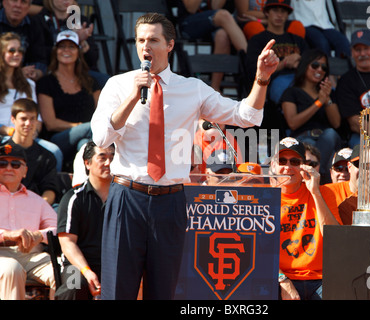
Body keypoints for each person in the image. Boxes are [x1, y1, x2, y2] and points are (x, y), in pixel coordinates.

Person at [90, 12, 279, 300]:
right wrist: (132, 96)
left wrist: (261, 80)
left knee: (163, 292)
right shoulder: (118, 85)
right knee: (117, 291)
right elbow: (102, 138)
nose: (145, 46)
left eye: (153, 40)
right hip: (127, 197)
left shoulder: (192, 89)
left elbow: (247, 116)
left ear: (170, 45)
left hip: (171, 201)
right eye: (140, 40)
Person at [270, 137, 341, 300]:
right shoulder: (265, 197)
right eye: (282, 161)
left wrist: (315, 192)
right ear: (273, 165)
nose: (287, 167)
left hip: (321, 279)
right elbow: (259, 250)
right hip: (282, 278)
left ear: (303, 166)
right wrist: (283, 280)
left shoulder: (324, 192)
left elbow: (335, 238)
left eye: (294, 161)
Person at [55, 141, 114, 300]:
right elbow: (67, 243)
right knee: (73, 286)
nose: (109, 163)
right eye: (102, 158)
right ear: (87, 163)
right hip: (76, 266)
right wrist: (87, 271)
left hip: (114, 264)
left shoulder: (124, 197)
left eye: (112, 157)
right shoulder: (73, 198)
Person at [0, 142, 57, 300]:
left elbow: (59, 228)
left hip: (32, 254)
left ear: (25, 171)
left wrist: (39, 235)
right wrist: (7, 235)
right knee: (12, 268)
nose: (9, 168)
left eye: (16, 164)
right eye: (3, 163)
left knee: (69, 271)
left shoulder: (37, 200)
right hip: (1, 255)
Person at [37, 30, 100, 169]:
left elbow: (101, 112)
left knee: (84, 144)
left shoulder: (91, 82)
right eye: (62, 46)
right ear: (55, 51)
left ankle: (83, 184)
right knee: (93, 128)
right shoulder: (46, 83)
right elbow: (50, 123)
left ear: (78, 51)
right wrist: (80, 126)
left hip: (88, 135)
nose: (66, 50)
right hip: (59, 138)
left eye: (71, 47)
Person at [0, 32, 63, 171]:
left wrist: (31, 134)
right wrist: (10, 131)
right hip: (3, 136)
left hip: (28, 134)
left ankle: (50, 190)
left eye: (20, 50)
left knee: (54, 152)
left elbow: (37, 119)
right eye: (12, 50)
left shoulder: (29, 84)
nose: (17, 54)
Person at [280, 48, 341, 180]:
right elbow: (293, 122)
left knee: (330, 134)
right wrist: (318, 102)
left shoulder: (328, 93)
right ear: (305, 65)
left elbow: (336, 123)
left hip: (326, 139)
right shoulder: (291, 93)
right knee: (307, 145)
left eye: (323, 67)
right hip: (302, 137)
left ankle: (316, 177)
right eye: (315, 65)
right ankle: (320, 178)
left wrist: (327, 99)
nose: (319, 70)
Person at [33, 0, 109, 88]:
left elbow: (92, 60)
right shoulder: (39, 20)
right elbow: (37, 54)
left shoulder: (81, 20)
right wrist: (65, 46)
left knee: (105, 81)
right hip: (50, 69)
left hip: (79, 71)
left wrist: (82, 44)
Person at [246, 0, 308, 105]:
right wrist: (284, 63)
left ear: (288, 14)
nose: (279, 15)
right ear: (266, 13)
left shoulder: (298, 40)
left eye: (283, 11)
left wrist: (299, 60)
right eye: (275, 10)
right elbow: (254, 72)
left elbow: (311, 61)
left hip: (301, 79)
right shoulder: (257, 40)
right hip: (273, 83)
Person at [177, 0, 248, 92]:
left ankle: (215, 88)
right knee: (224, 15)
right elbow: (191, 8)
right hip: (187, 24)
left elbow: (215, 6)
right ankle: (250, 60)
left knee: (222, 35)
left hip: (212, 24)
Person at [5, 99, 59, 205]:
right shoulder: (2, 153)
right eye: (23, 119)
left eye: (32, 119)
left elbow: (50, 189)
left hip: (35, 207)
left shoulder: (47, 157)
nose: (28, 123)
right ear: (13, 119)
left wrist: (37, 208)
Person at [0, 0, 47, 81]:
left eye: (24, 2)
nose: (18, 5)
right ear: (4, 2)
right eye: (14, 0)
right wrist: (16, 74)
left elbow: (40, 59)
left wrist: (35, 73)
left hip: (26, 82)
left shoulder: (36, 24)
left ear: (29, 7)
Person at [235, 0, 305, 40]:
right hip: (251, 21)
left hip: (276, 19)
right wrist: (270, 16)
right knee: (255, 28)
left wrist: (269, 18)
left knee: (297, 26)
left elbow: (283, 9)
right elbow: (243, 13)